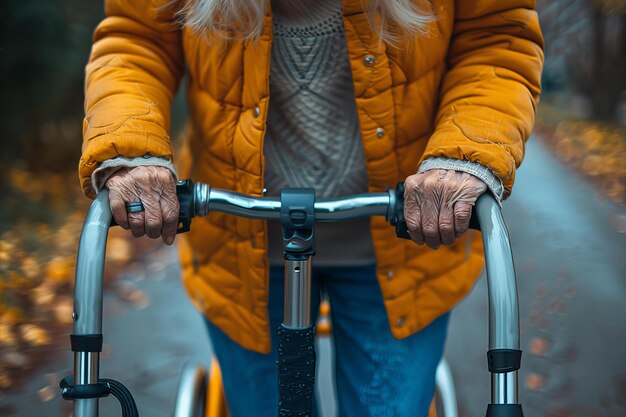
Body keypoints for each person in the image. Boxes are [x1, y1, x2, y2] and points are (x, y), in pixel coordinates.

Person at [79, 0, 543, 416]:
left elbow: (496, 36)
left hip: (404, 245)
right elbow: (138, 39)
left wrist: (462, 155)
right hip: (243, 247)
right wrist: (132, 148)